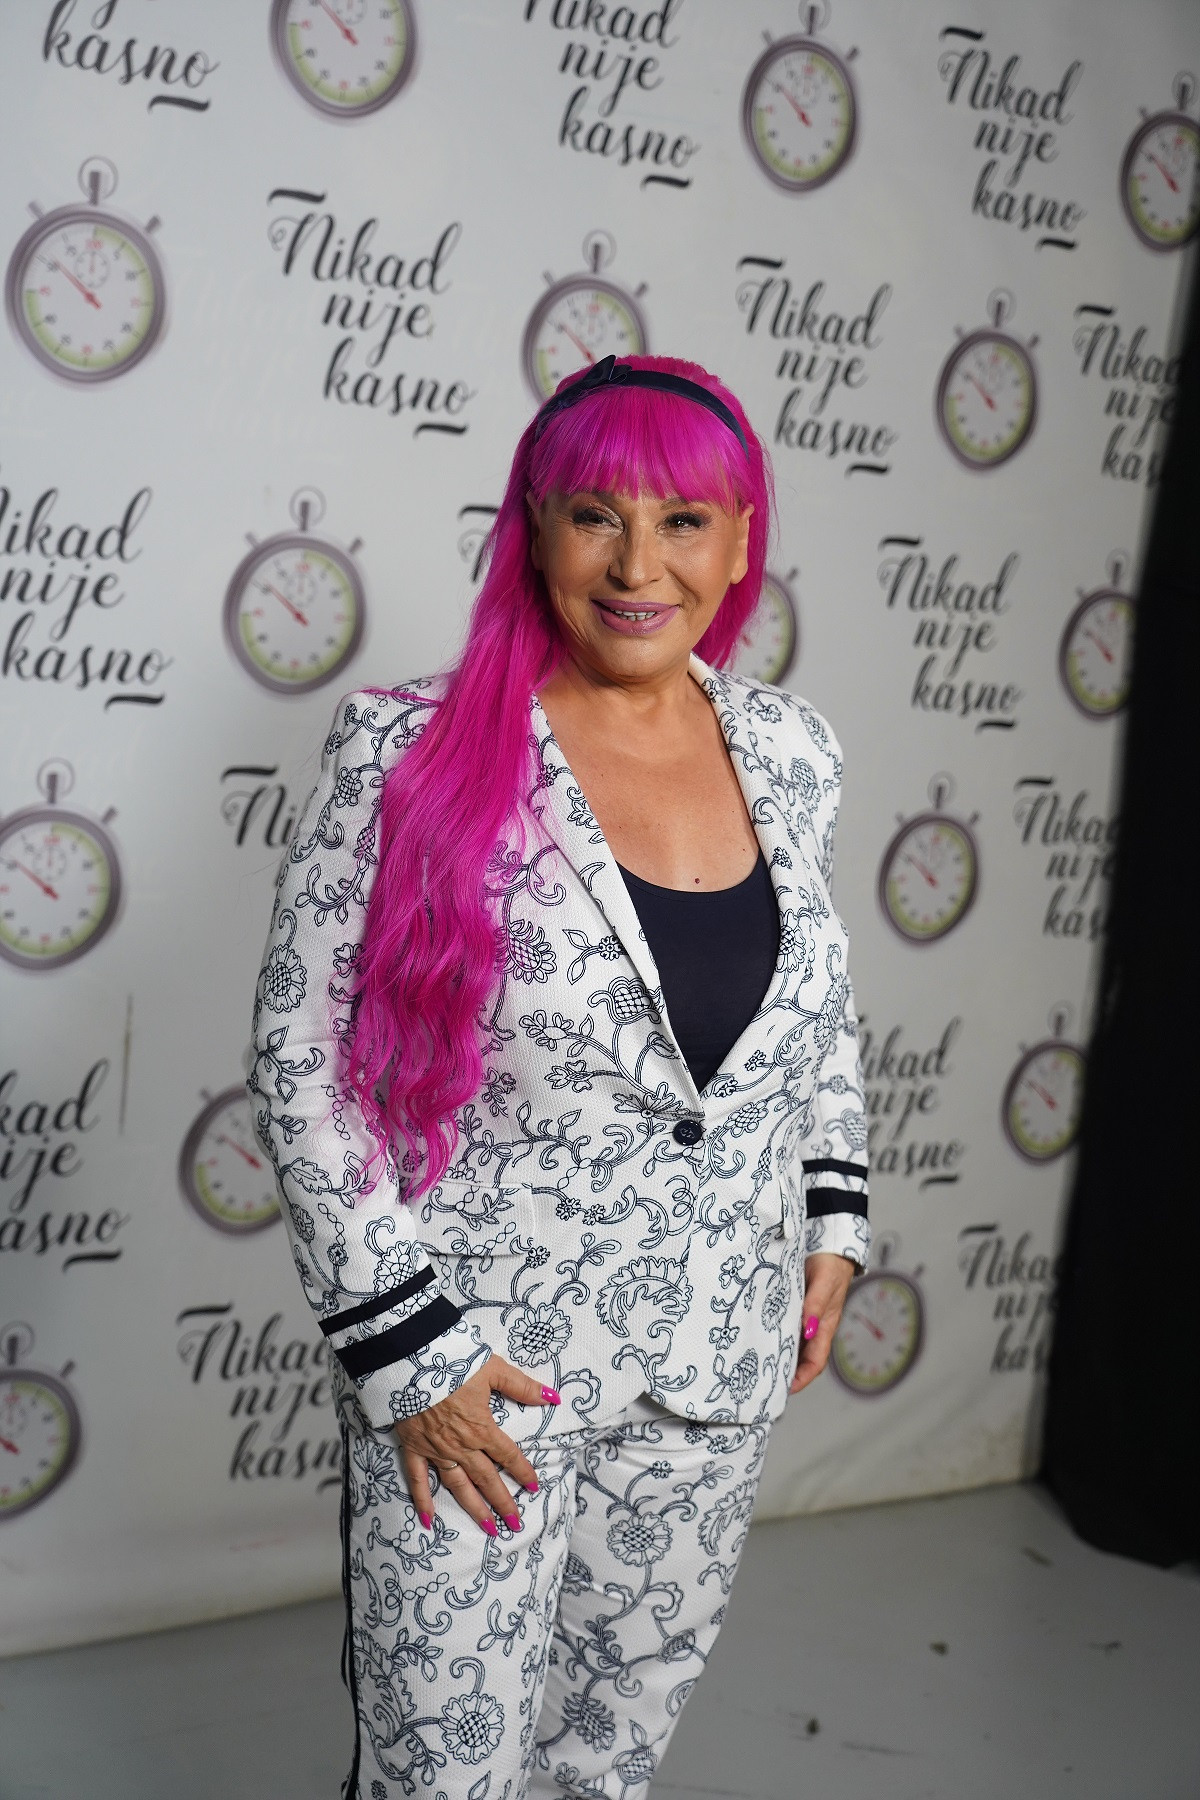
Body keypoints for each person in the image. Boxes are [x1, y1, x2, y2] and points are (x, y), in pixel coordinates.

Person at [246, 353, 870, 1799]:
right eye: (597, 516)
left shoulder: (794, 750)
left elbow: (816, 1008)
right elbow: (300, 1058)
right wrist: (410, 1356)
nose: (639, 566)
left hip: (713, 1364)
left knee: (605, 1769)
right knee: (442, 1780)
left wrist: (832, 1217)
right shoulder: (405, 747)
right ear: (534, 530)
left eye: (684, 522)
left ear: (740, 544)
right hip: (479, 1380)